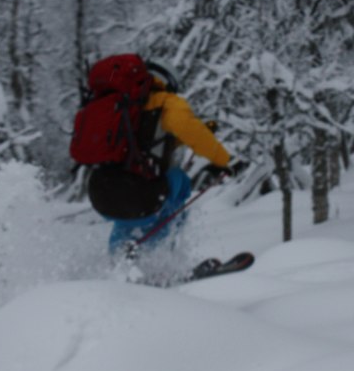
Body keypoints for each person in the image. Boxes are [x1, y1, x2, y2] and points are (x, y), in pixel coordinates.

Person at [88, 59, 240, 256]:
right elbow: (188, 129)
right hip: (141, 197)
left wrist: (198, 133)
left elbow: (146, 144)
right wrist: (224, 161)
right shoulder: (166, 102)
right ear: (168, 82)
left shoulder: (119, 107)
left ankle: (116, 260)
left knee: (127, 205)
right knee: (180, 182)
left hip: (101, 195)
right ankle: (158, 258)